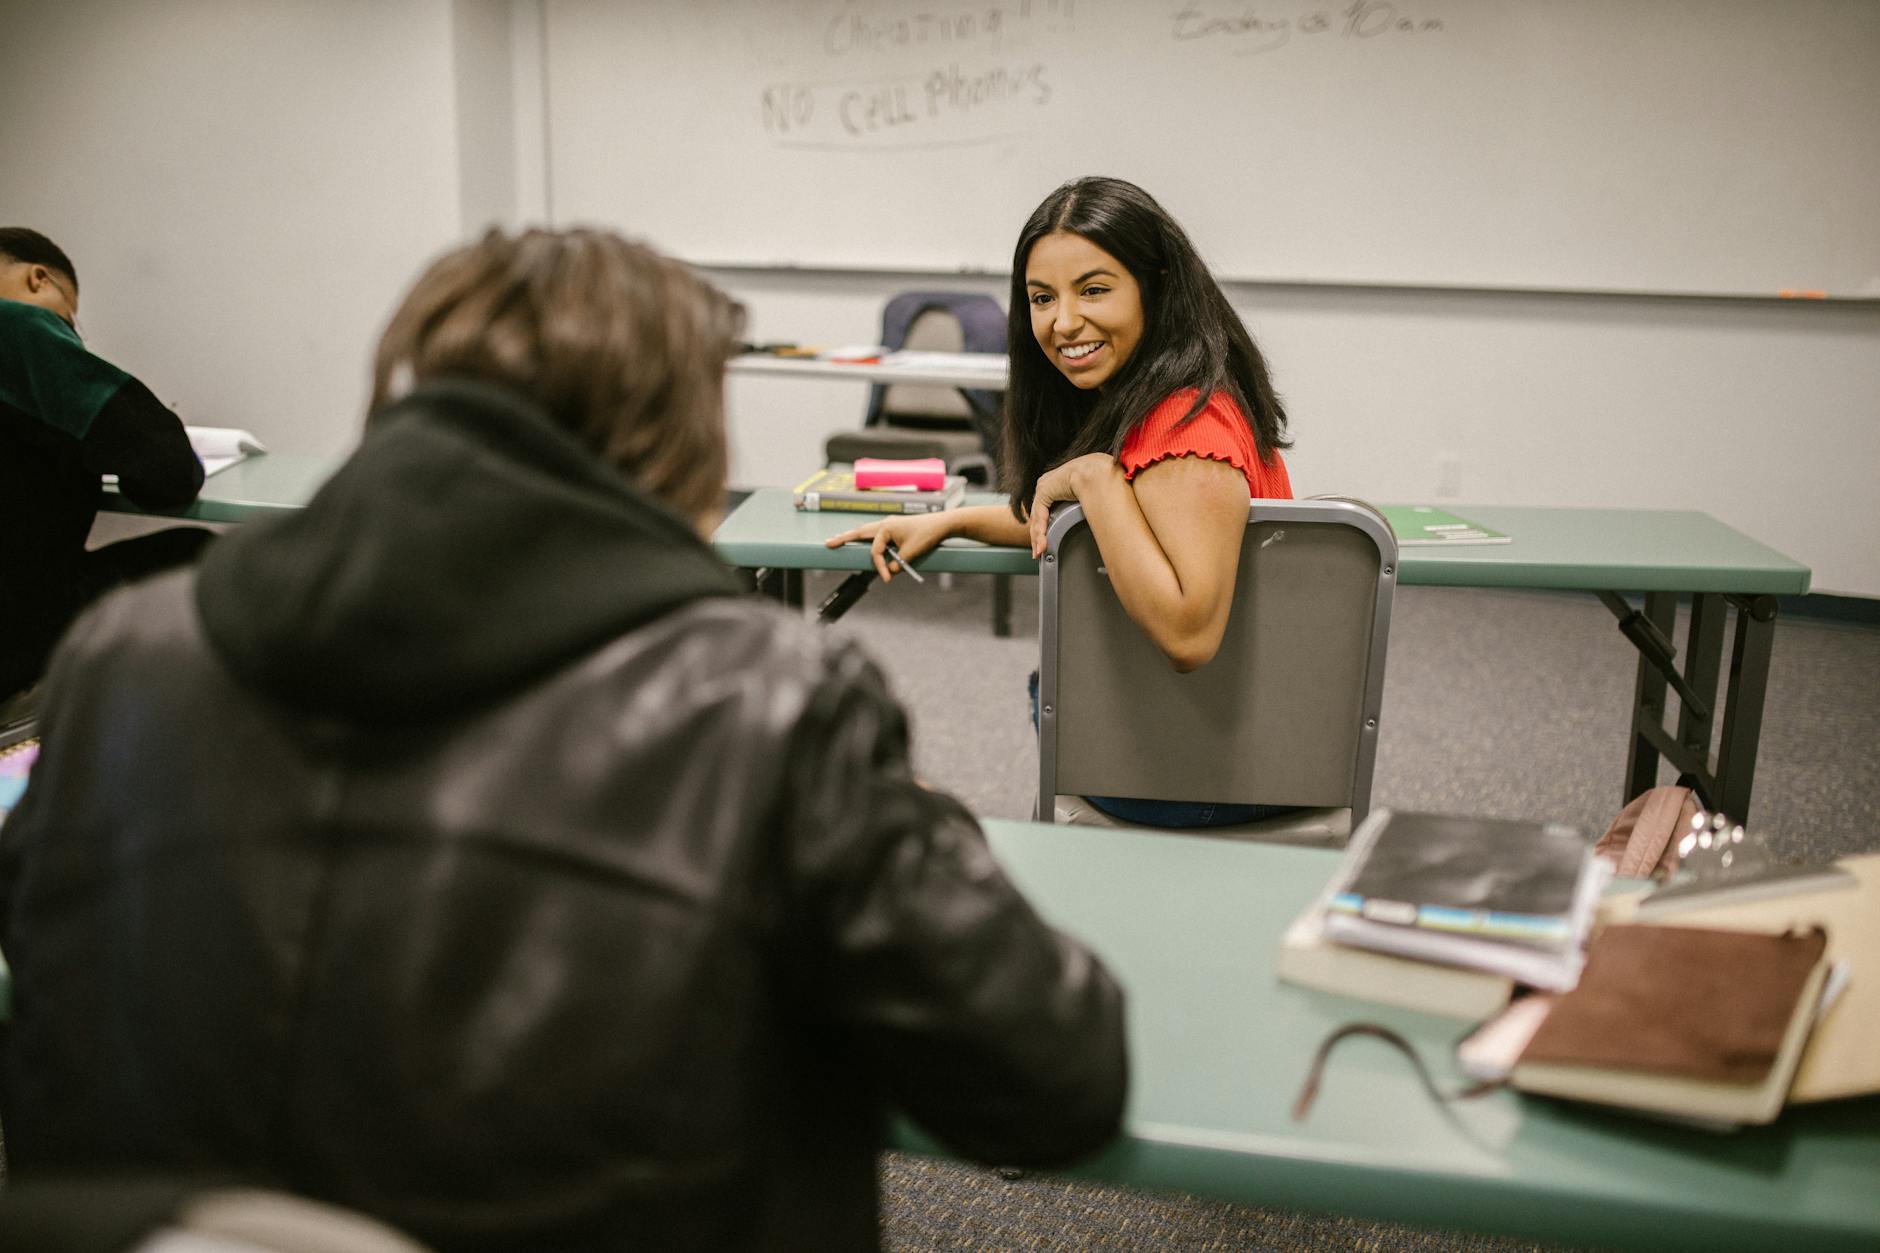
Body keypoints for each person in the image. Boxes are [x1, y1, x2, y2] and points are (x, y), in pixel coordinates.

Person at [0, 228, 1127, 1252]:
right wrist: (913, 819)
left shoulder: (123, 652)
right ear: (679, 439)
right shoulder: (770, 698)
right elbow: (1052, 1078)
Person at [827, 176, 1295, 828]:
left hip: (1191, 769)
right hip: (1205, 746)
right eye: (1041, 298)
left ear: (1155, 285)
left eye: (1094, 289)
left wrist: (1096, 478)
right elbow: (1122, 530)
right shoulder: (1167, 400)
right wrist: (956, 518)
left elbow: (1189, 633)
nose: (1063, 321)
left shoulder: (1187, 431)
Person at [0, 227, 210, 703]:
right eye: (67, 320)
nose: (67, 336)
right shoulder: (16, 330)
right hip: (16, 630)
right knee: (199, 554)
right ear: (39, 280)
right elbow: (170, 472)